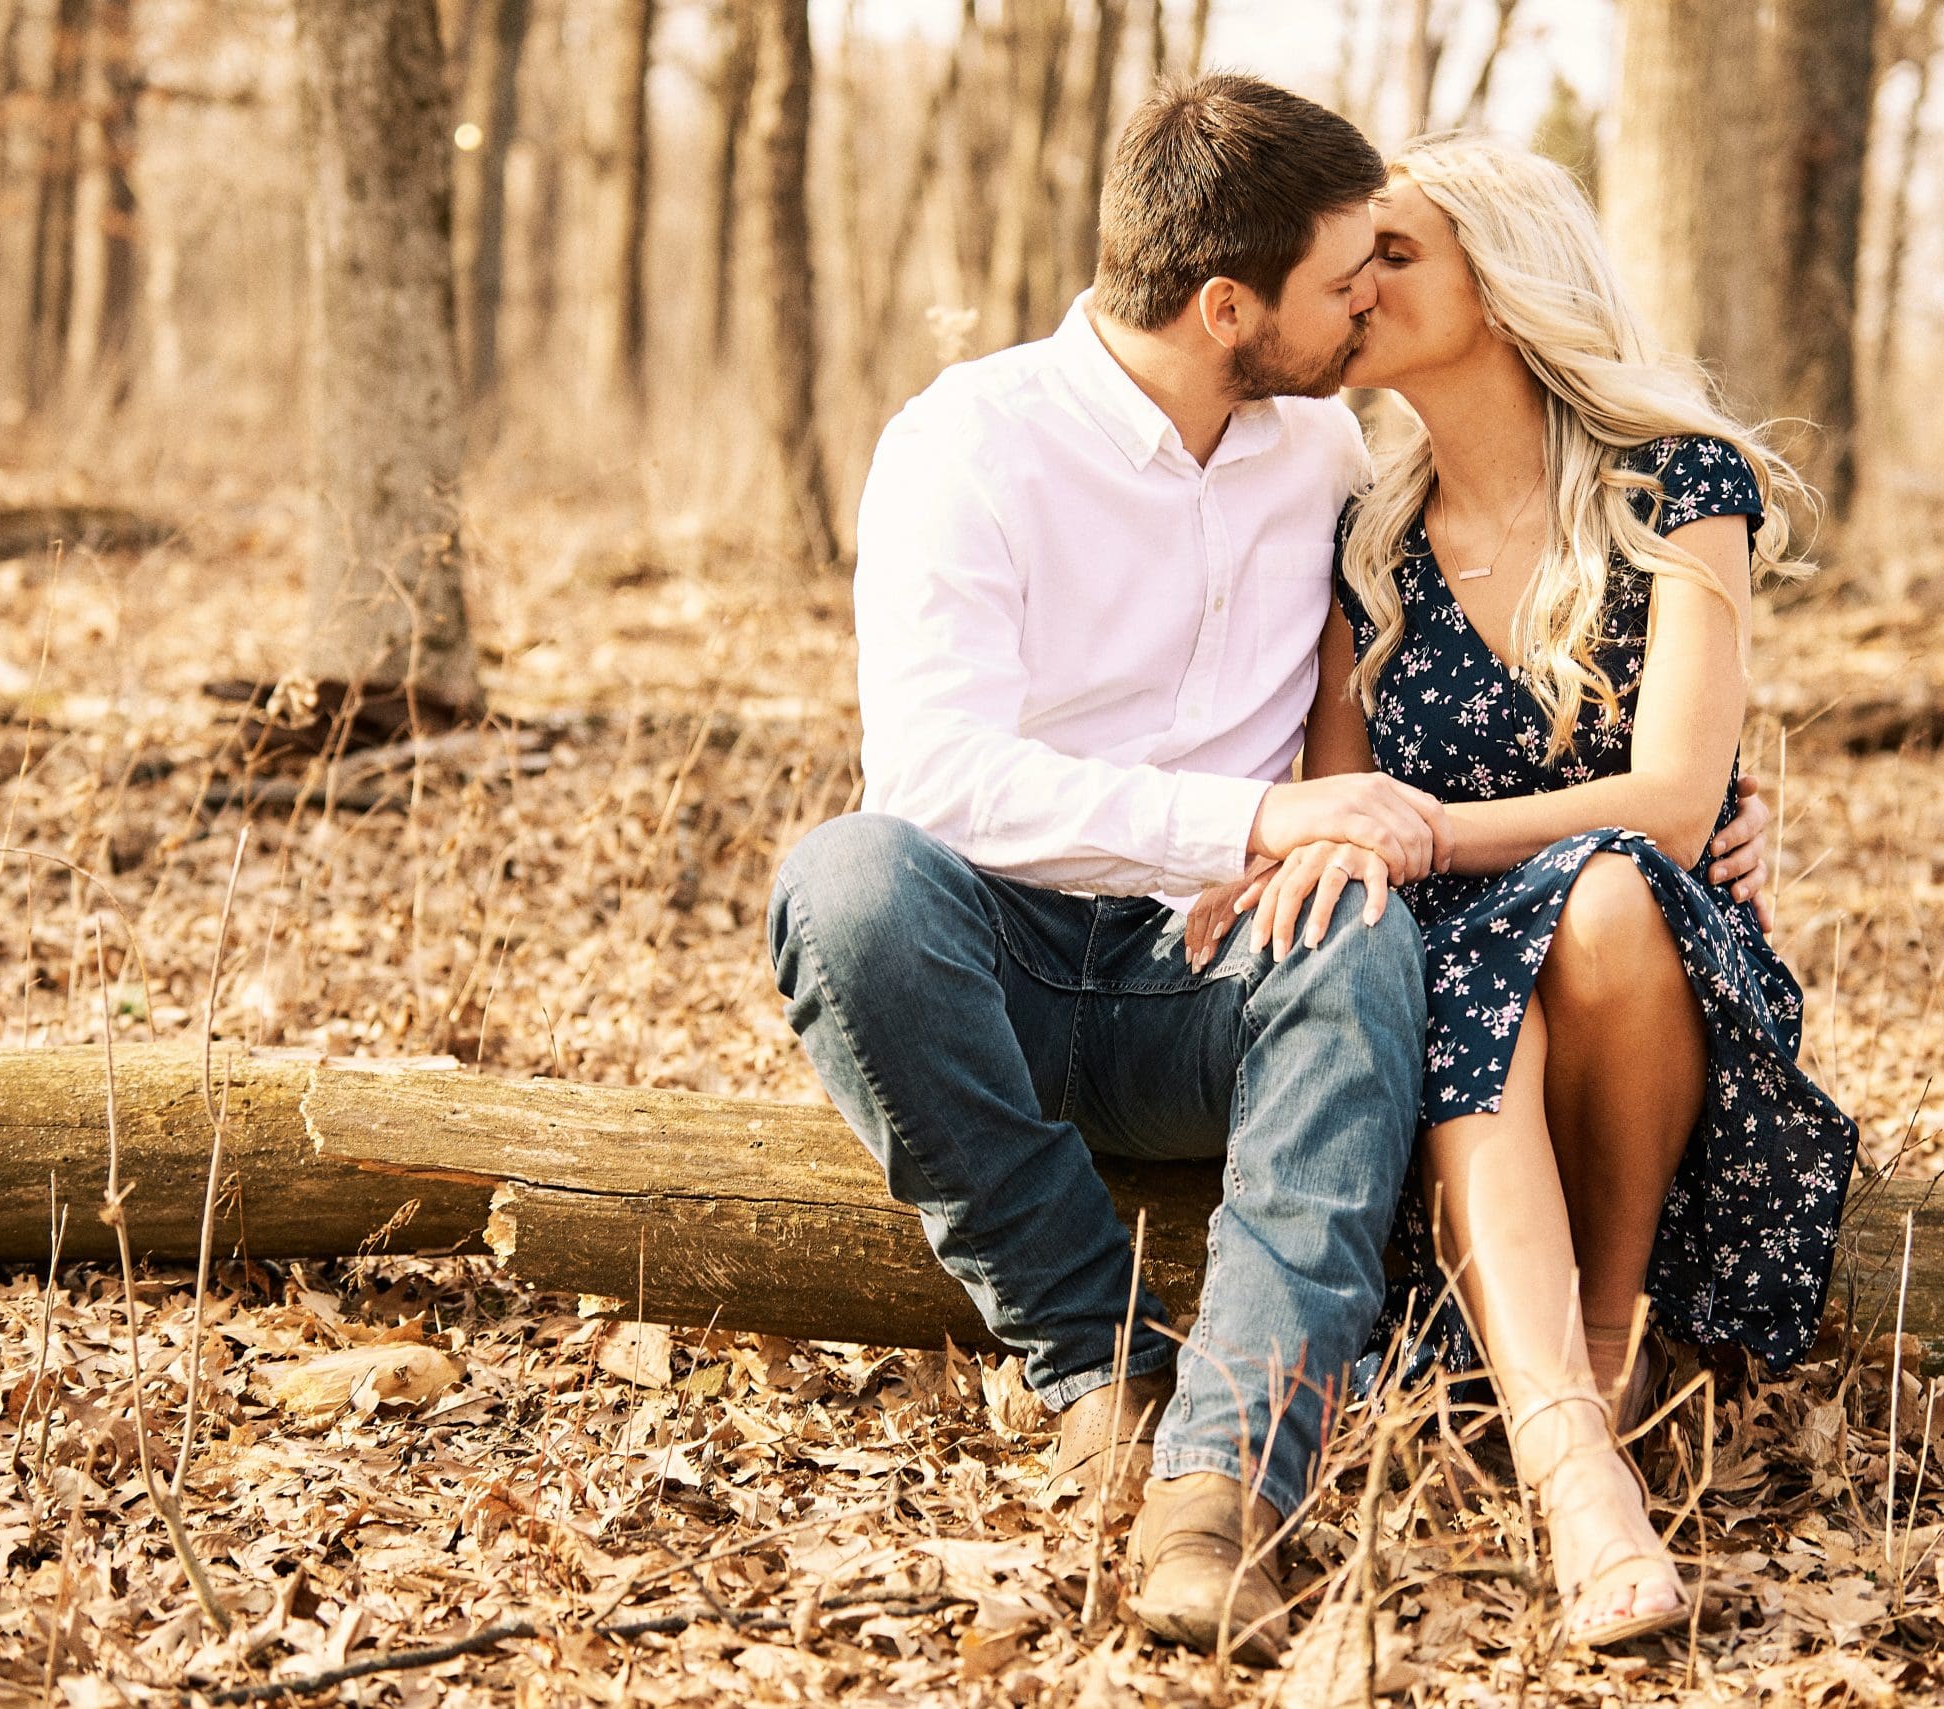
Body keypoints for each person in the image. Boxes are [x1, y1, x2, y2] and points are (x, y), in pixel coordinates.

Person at [768, 81, 1774, 1664]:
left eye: (1386, 261)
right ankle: (1094, 1362)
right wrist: (1256, 828)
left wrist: (1706, 806)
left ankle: (1222, 1493)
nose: (1362, 296)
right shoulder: (971, 442)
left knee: (1364, 933)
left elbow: (1549, 712)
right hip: (1018, 955)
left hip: (1220, 979)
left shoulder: (1319, 452)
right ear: (1227, 305)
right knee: (845, 886)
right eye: (1339, 276)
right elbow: (938, 782)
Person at [1186, 138, 1858, 1650]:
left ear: (1501, 276)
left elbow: (1678, 799)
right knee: (1485, 956)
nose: (1357, 288)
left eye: (1397, 256)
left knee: (1607, 890)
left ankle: (1605, 1333)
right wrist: (1293, 855)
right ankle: (1572, 1458)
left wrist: (1430, 832)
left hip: (1642, 984)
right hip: (1457, 999)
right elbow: (1342, 797)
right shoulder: (1365, 529)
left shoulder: (1678, 485)